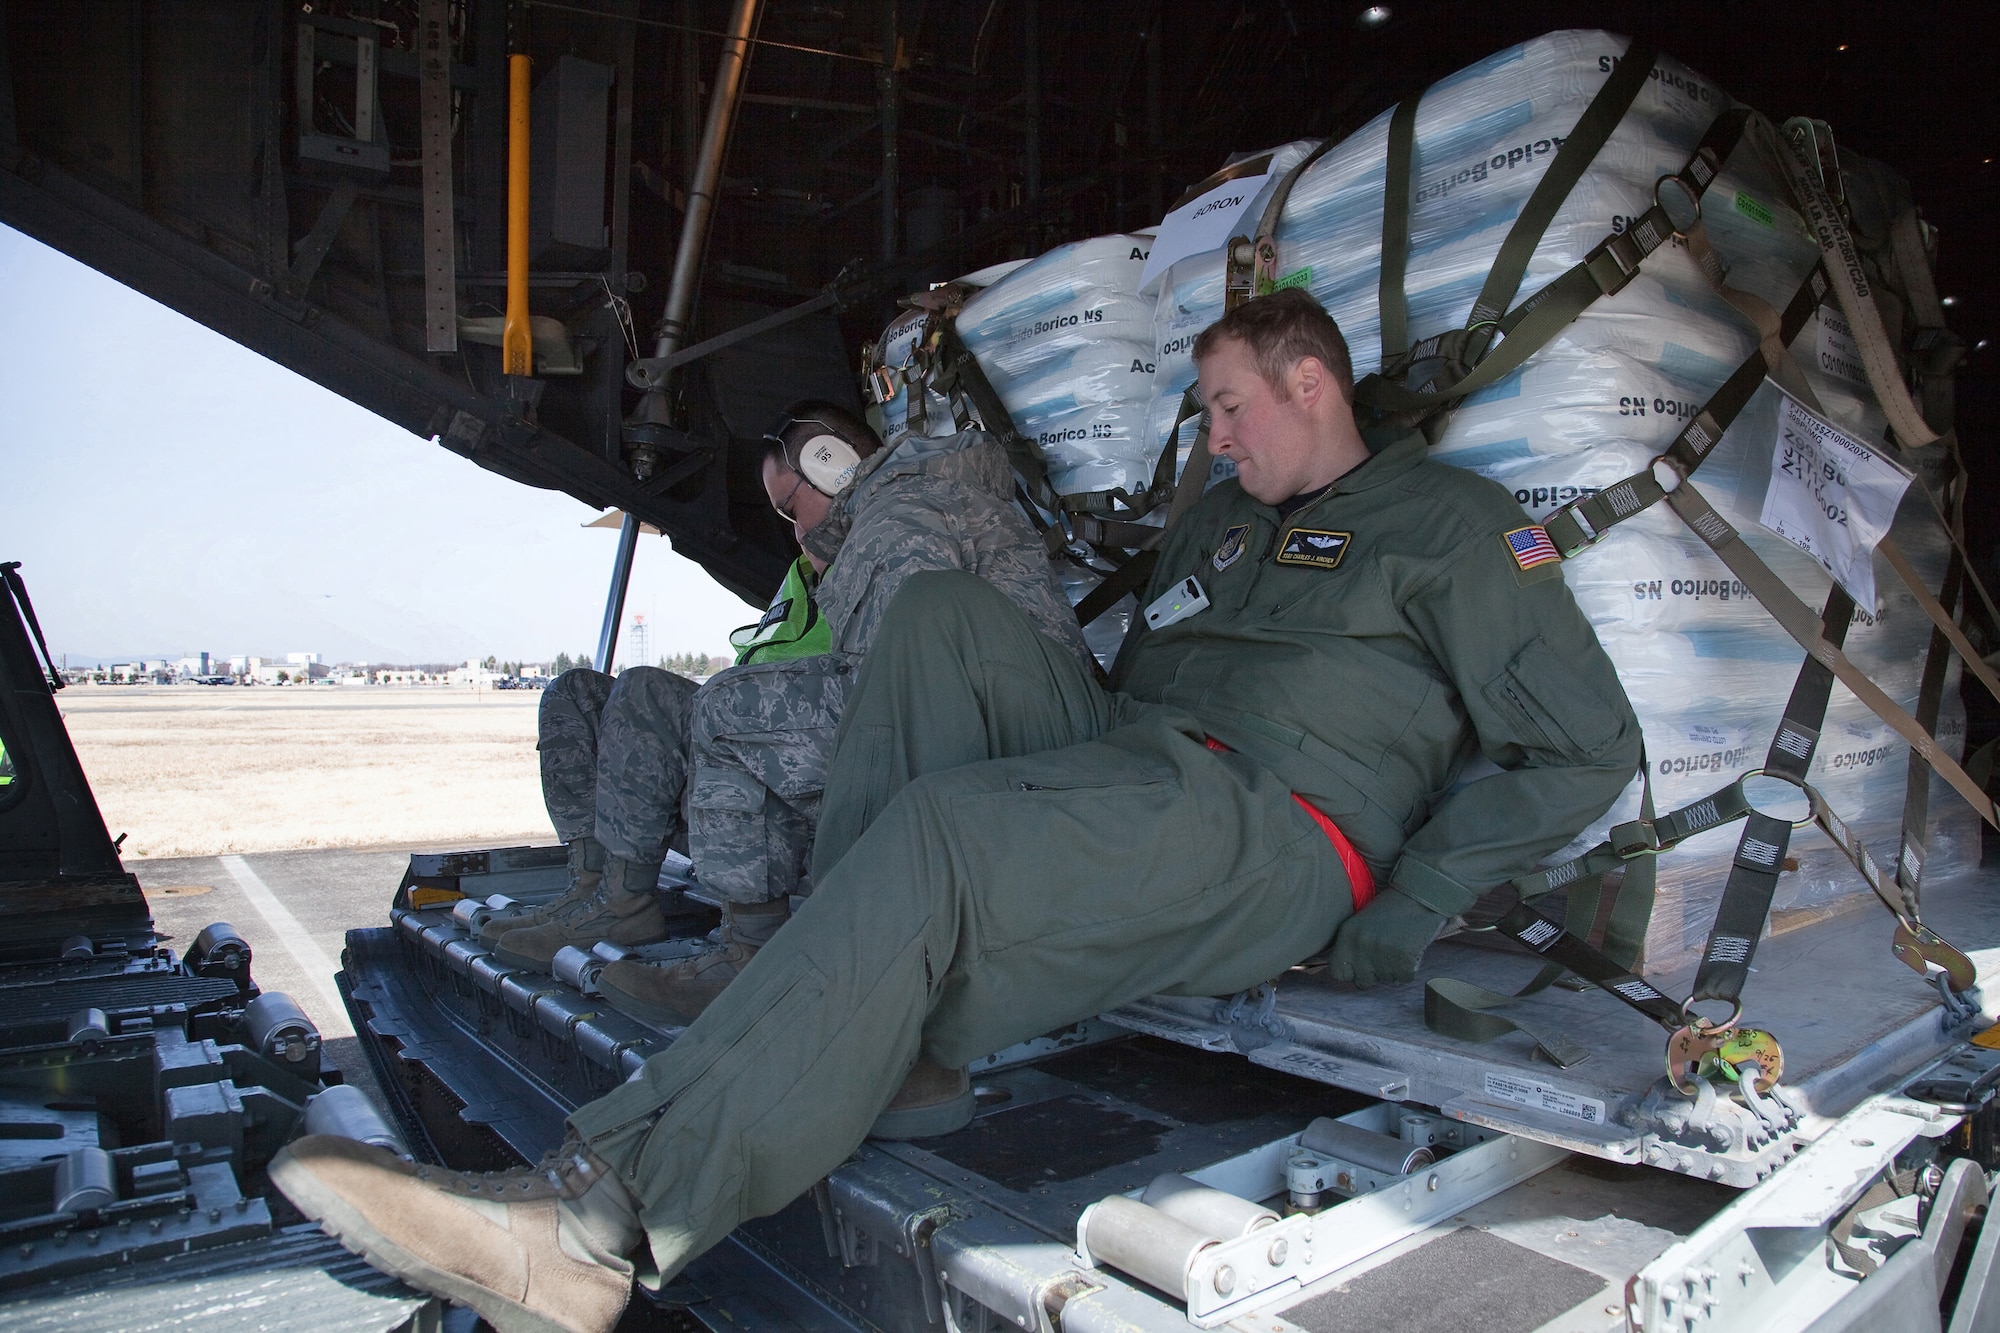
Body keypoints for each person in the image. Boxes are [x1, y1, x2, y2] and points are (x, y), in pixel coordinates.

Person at [271, 289, 1643, 1333]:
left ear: (1307, 382)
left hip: (1273, 824)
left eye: (1229, 409)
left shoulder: (1449, 527)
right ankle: (904, 1054)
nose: (1213, 439)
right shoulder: (1224, 520)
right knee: (936, 615)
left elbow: (1585, 750)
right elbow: (1122, 681)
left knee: (942, 833)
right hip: (1146, 758)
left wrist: (1403, 906)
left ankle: (600, 1225)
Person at [480, 400, 1092, 1024]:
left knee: (726, 708)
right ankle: (608, 892)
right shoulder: (897, 515)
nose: (795, 533)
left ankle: (751, 953)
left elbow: (901, 695)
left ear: (834, 469)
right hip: (982, 724)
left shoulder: (903, 517)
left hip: (1004, 747)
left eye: (792, 507)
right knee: (632, 693)